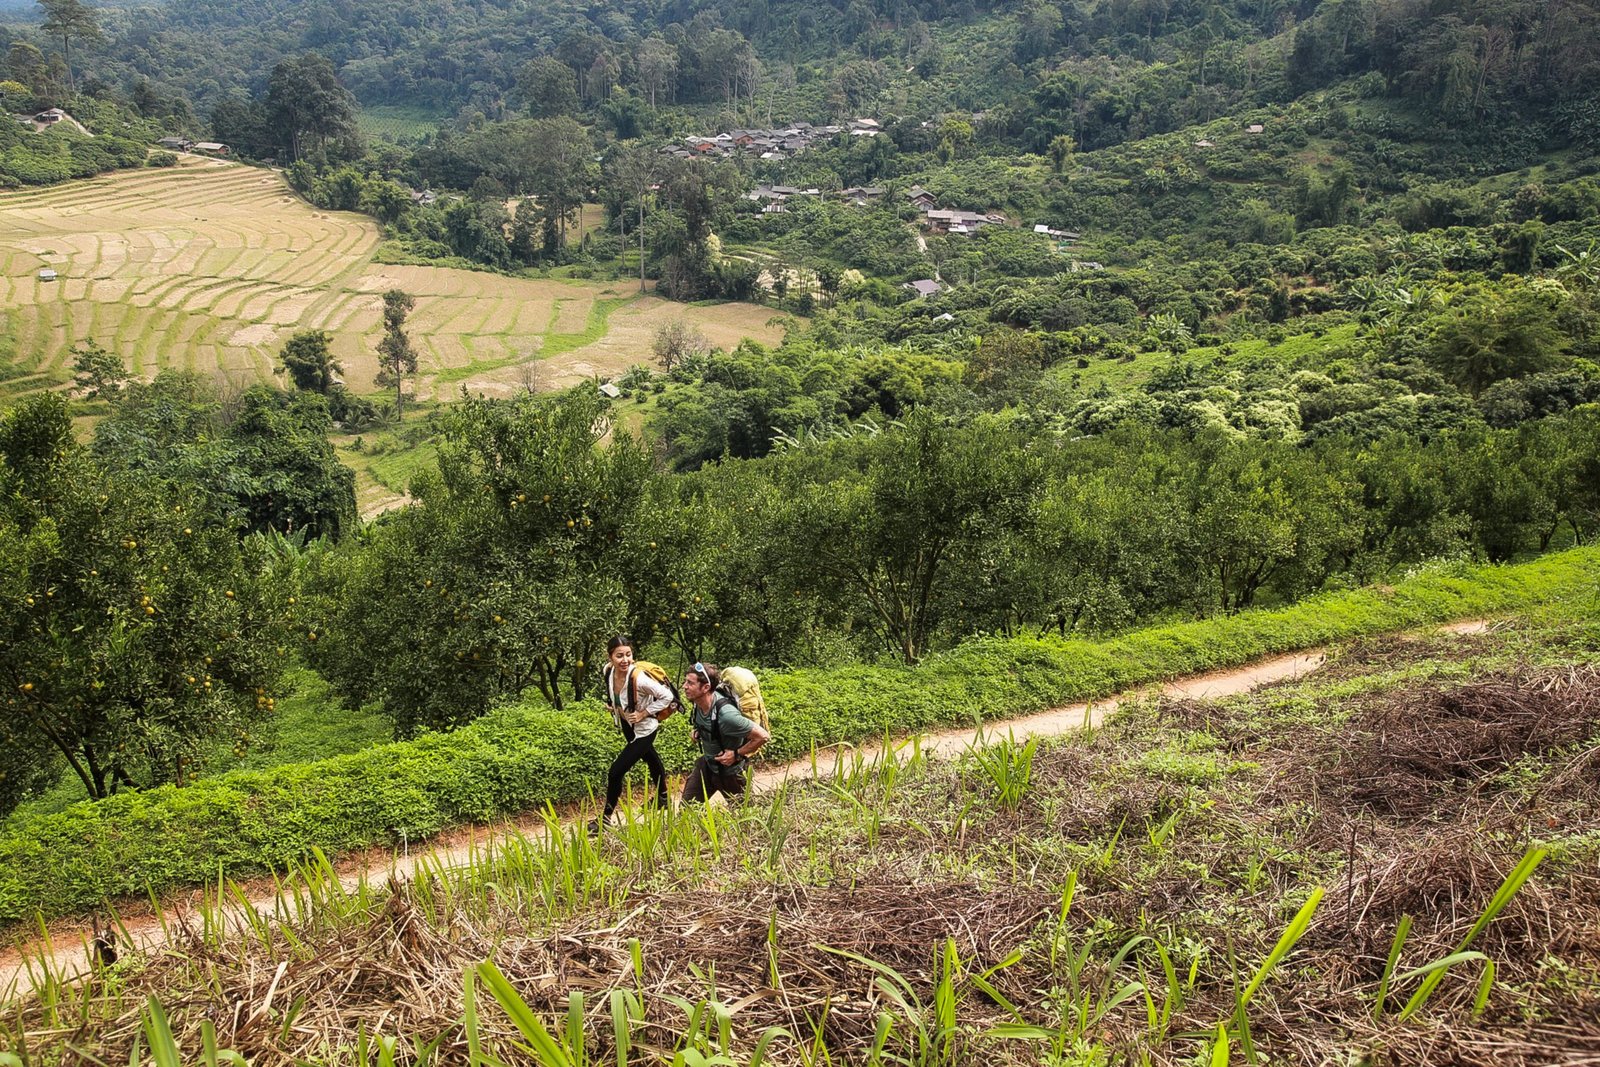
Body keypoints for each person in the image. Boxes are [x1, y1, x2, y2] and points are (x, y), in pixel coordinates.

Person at [591, 635, 672, 833]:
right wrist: (613, 706)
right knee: (651, 758)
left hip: (645, 730)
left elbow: (667, 696)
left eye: (628, 654)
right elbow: (617, 695)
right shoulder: (608, 671)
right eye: (619, 656)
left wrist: (644, 712)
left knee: (616, 771)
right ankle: (663, 798)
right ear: (610, 656)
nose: (625, 660)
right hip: (628, 726)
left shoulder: (639, 678)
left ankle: (606, 819)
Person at [681, 662, 769, 805]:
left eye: (690, 683)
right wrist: (699, 732)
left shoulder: (727, 716)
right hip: (707, 767)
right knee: (687, 811)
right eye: (685, 681)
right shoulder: (698, 703)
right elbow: (708, 723)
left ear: (706, 687)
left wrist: (736, 754)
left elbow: (763, 736)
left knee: (743, 816)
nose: (684, 686)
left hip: (731, 774)